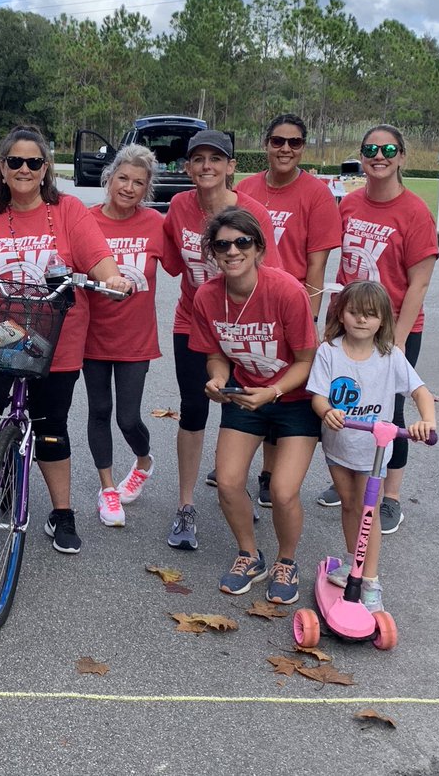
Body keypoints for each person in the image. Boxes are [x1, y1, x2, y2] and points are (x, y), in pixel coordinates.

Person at [0, 125, 132, 555]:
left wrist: (113, 278)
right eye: (15, 161)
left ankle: (62, 512)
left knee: (52, 424)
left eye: (34, 162)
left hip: (57, 337)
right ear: (2, 167)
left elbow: (99, 259)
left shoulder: (69, 211)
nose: (24, 169)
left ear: (46, 167)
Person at [191, 208, 319, 603]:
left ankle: (287, 560)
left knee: (282, 491)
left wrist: (274, 392)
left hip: (294, 399)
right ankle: (249, 554)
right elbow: (216, 355)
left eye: (242, 242)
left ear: (259, 247)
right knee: (227, 482)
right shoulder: (207, 296)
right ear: (212, 253)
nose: (233, 251)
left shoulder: (286, 291)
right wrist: (216, 379)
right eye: (222, 244)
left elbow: (306, 361)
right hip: (244, 395)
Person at [319, 124, 438, 532]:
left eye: (389, 148)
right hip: (348, 321)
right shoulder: (349, 203)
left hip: (393, 327)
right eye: (371, 148)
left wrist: (399, 338)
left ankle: (390, 496)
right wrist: (332, 321)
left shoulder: (415, 212)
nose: (379, 155)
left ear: (402, 156)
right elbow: (341, 264)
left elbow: (419, 281)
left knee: (391, 409)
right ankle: (352, 475)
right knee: (346, 400)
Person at [161, 130, 271, 551]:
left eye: (215, 158)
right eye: (198, 159)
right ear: (187, 168)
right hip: (193, 322)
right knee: (193, 409)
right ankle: (186, 505)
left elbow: (267, 276)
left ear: (231, 166)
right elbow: (170, 261)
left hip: (241, 326)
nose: (206, 166)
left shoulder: (252, 211)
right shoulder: (178, 207)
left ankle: (234, 488)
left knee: (240, 407)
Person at [307, 281, 436, 612]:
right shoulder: (329, 352)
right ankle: (354, 564)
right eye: (354, 312)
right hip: (338, 445)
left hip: (375, 451)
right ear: (342, 314)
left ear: (382, 321)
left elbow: (420, 392)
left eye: (370, 315)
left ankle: (370, 581)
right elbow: (318, 395)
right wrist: (326, 410)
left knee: (369, 512)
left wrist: (426, 421)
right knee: (350, 505)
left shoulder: (390, 356)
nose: (361, 320)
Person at [236, 114, 342, 507]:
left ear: (303, 148)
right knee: (251, 384)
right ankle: (246, 462)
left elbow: (317, 264)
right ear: (266, 144)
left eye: (295, 143)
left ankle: (269, 473)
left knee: (286, 393)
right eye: (278, 141)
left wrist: (310, 318)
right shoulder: (246, 188)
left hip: (292, 306)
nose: (285, 149)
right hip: (248, 307)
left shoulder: (315, 195)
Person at [82, 144, 165, 528]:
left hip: (136, 338)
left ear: (147, 189)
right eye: (123, 178)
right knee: (99, 411)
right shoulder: (85, 220)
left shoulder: (155, 225)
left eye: (138, 183)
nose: (129, 188)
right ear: (109, 178)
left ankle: (144, 461)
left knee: (129, 418)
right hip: (92, 335)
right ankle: (107, 488)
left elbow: (191, 260)